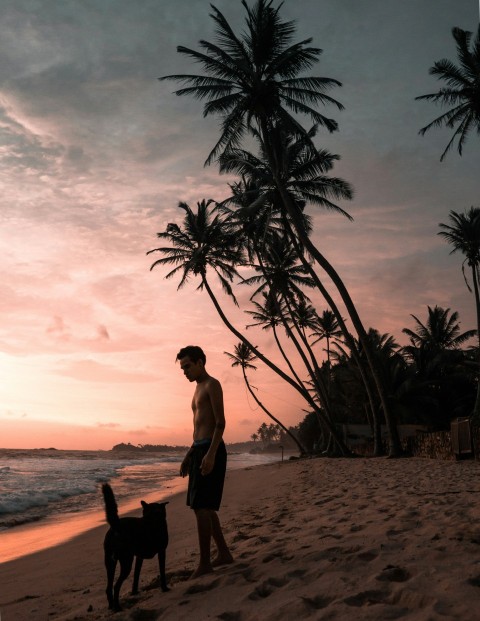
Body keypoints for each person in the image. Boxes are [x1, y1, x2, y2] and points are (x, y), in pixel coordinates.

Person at [176, 345, 233, 578]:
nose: (185, 372)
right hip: (199, 450)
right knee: (205, 507)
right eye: (182, 368)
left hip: (212, 449)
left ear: (200, 362)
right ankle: (224, 554)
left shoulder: (212, 384)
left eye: (188, 366)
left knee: (201, 507)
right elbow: (198, 427)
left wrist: (210, 454)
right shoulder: (197, 388)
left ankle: (205, 563)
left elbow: (220, 423)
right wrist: (189, 455)